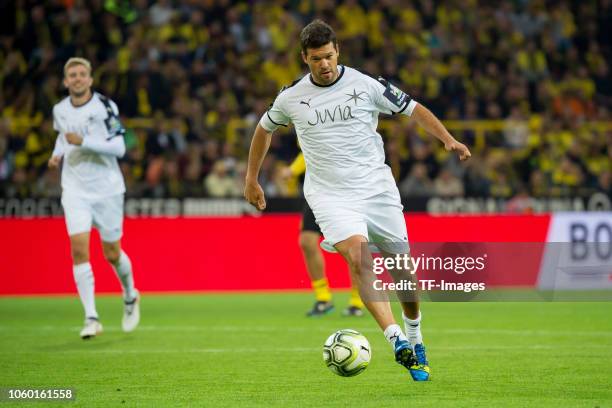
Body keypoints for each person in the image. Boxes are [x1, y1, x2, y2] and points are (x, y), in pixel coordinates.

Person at [244, 20, 471, 381]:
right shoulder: (291, 97)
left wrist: (446, 139)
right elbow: (263, 129)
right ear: (305, 58)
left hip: (376, 189)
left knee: (403, 272)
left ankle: (416, 338)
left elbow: (414, 109)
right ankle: (395, 339)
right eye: (316, 58)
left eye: (329, 56)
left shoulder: (366, 85)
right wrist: (251, 177)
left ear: (338, 52)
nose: (325, 64)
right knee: (358, 258)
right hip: (330, 195)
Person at [48, 57, 140, 339]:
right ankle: (91, 317)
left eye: (81, 74)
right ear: (66, 82)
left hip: (107, 189)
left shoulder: (105, 107)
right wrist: (58, 152)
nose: (77, 78)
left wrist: (83, 142)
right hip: (75, 189)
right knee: (78, 249)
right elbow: (64, 137)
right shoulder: (59, 110)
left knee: (111, 253)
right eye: (72, 75)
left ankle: (129, 294)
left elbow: (119, 148)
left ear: (90, 79)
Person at [283, 153, 364, 317]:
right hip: (319, 190)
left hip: (348, 187)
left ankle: (357, 300)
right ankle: (323, 298)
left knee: (353, 245)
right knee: (307, 241)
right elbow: (310, 148)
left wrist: (293, 169)